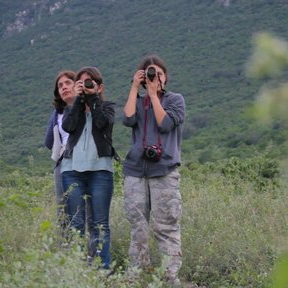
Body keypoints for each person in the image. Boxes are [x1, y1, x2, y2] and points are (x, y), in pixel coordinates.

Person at [122, 54, 185, 285]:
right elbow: (127, 119)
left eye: (158, 73)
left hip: (164, 171)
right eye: (149, 74)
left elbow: (165, 123)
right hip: (136, 171)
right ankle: (137, 275)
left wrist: (152, 94)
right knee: (137, 227)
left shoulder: (176, 100)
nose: (154, 78)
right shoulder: (138, 102)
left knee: (166, 226)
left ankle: (169, 278)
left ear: (166, 77)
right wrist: (134, 89)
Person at [60, 66, 116, 269]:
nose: (86, 85)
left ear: (100, 86)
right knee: (75, 223)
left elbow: (103, 123)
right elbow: (68, 126)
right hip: (72, 170)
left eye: (90, 82)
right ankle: (76, 270)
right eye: (82, 82)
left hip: (100, 170)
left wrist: (93, 100)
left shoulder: (108, 107)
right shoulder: (71, 109)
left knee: (99, 224)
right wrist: (77, 100)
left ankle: (101, 270)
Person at [44, 70, 76, 234]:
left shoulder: (83, 107)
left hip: (82, 162)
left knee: (80, 206)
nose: (64, 87)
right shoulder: (57, 113)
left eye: (68, 83)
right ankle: (65, 248)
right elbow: (49, 141)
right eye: (60, 85)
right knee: (62, 208)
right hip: (62, 163)